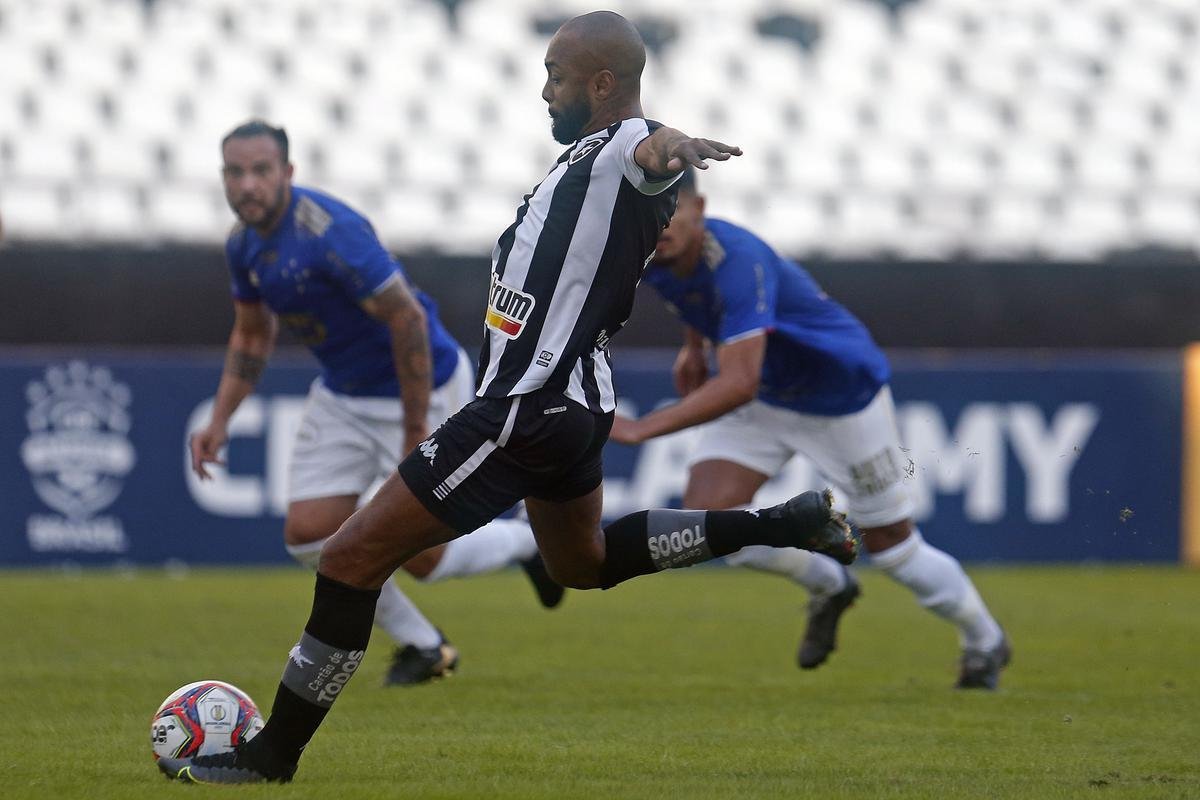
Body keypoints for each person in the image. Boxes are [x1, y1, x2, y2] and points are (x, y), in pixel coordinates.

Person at [158, 12, 856, 784]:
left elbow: (653, 147)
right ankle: (785, 521)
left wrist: (675, 143)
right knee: (582, 563)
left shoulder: (623, 147)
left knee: (350, 558)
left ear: (601, 83)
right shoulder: (582, 163)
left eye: (556, 74)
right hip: (574, 406)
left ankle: (268, 760)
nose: (544, 89)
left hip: (528, 405)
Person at [188, 119, 564, 688]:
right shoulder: (243, 244)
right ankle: (425, 646)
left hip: (425, 389)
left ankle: (527, 543)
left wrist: (416, 428)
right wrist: (220, 418)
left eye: (260, 171)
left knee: (423, 558)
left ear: (287, 173)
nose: (248, 186)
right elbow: (251, 333)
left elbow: (407, 317)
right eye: (235, 173)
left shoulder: (329, 232)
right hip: (344, 394)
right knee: (309, 535)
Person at [608, 168, 1011, 689]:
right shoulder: (652, 249)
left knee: (892, 547)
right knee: (706, 524)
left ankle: (984, 640)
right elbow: (695, 300)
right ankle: (830, 584)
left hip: (838, 398)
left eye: (674, 208)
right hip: (768, 398)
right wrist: (695, 345)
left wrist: (642, 430)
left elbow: (738, 383)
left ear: (700, 209)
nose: (662, 222)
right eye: (653, 211)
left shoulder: (739, 260)